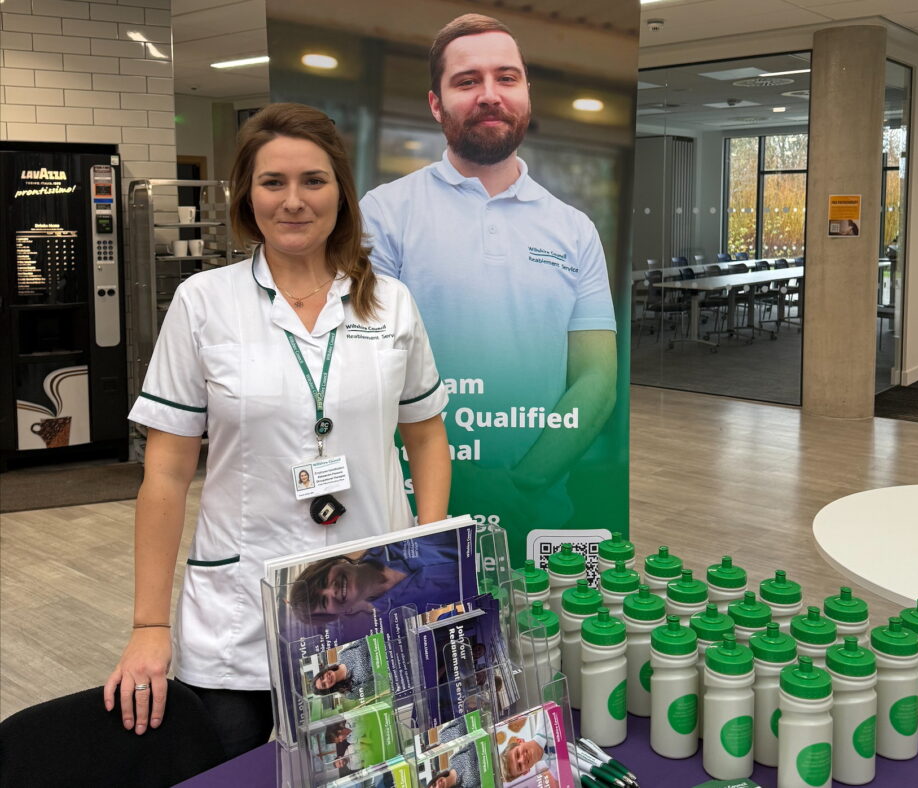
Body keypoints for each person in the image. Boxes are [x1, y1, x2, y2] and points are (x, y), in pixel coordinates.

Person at [103, 102, 451, 759]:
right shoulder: (204, 303)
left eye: (313, 181)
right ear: (247, 194)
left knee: (361, 761)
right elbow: (168, 473)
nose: (294, 201)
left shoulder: (390, 303)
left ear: (340, 193)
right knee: (231, 759)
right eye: (273, 182)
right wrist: (149, 623)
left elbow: (427, 435)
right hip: (241, 603)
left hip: (368, 592)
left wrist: (426, 560)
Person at [360, 14, 617, 543]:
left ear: (527, 93)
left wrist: (520, 486)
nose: (489, 94)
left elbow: (597, 381)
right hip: (414, 518)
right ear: (436, 104)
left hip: (543, 519)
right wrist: (468, 486)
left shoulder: (575, 229)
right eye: (466, 81)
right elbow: (363, 376)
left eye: (506, 77)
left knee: (555, 629)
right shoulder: (384, 215)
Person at [287, 529, 464, 626]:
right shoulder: (398, 618)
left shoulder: (385, 531)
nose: (331, 590)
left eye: (323, 581)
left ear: (332, 563)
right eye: (324, 601)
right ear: (336, 615)